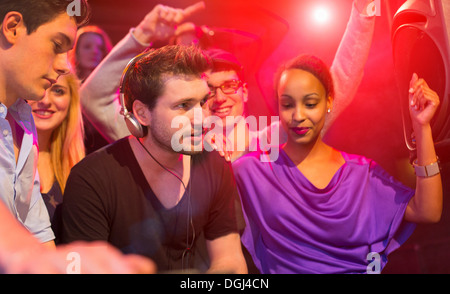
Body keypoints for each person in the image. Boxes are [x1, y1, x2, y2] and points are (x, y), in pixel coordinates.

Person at [78, 0, 376, 163]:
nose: (220, 98)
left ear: (245, 93)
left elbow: (337, 86)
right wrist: (142, 33)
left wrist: (363, 15)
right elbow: (93, 98)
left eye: (230, 86)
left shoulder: (271, 139)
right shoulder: (174, 140)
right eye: (209, 90)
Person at [232, 54, 443, 274]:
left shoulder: (361, 174)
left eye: (310, 103)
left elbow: (427, 210)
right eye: (287, 104)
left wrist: (422, 126)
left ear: (329, 102)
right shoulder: (252, 170)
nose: (298, 115)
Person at [61, 45, 248, 274]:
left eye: (201, 102)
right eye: (183, 106)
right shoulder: (91, 179)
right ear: (141, 114)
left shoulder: (214, 164)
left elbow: (230, 261)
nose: (201, 118)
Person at [0, 0, 154, 274]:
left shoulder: (23, 123)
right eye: (57, 45)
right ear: (13, 28)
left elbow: (38, 232)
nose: (63, 66)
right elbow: (24, 251)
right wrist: (26, 256)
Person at [28, 72, 85, 242]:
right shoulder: (7, 159)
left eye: (58, 91)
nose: (45, 100)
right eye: (39, 87)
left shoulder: (79, 167)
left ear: (71, 102)